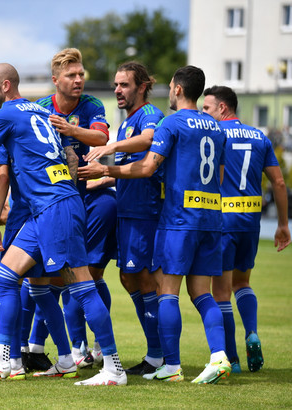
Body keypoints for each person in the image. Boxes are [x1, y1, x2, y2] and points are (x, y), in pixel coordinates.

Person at [0, 63, 126, 386]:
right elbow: (71, 157)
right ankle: (2, 357)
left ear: (5, 86)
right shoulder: (42, 114)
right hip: (54, 205)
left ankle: (113, 367)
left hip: (53, 208)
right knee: (6, 275)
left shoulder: (6, 114)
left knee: (81, 286)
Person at [79, 65, 231, 384]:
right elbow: (218, 176)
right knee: (203, 293)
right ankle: (219, 356)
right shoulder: (217, 127)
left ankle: (170, 364)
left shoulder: (170, 121)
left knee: (167, 292)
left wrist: (108, 171)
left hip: (178, 219)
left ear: (176, 89)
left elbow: (148, 167)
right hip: (211, 217)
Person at [36, 48, 116, 365]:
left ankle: (90, 351)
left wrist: (71, 130)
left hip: (77, 203)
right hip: (48, 203)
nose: (79, 79)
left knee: (78, 277)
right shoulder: (41, 107)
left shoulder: (92, 105)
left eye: (81, 74)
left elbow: (101, 139)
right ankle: (33, 349)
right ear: (56, 80)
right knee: (45, 278)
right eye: (71, 75)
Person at [84, 62, 165, 375]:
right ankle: (156, 354)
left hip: (144, 213)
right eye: (116, 85)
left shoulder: (149, 115)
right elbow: (129, 167)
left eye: (125, 85)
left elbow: (148, 142)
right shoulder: (128, 119)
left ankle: (159, 357)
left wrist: (110, 148)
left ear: (142, 86)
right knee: (128, 278)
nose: (117, 90)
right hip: (128, 210)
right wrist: (104, 179)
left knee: (145, 280)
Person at [202, 85, 291, 373]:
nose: (205, 114)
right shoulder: (260, 137)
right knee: (243, 283)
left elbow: (218, 175)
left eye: (208, 108)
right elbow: (278, 183)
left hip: (224, 222)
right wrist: (281, 225)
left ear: (223, 108)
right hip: (250, 223)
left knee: (221, 293)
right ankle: (251, 332)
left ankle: (233, 359)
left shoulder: (216, 135)